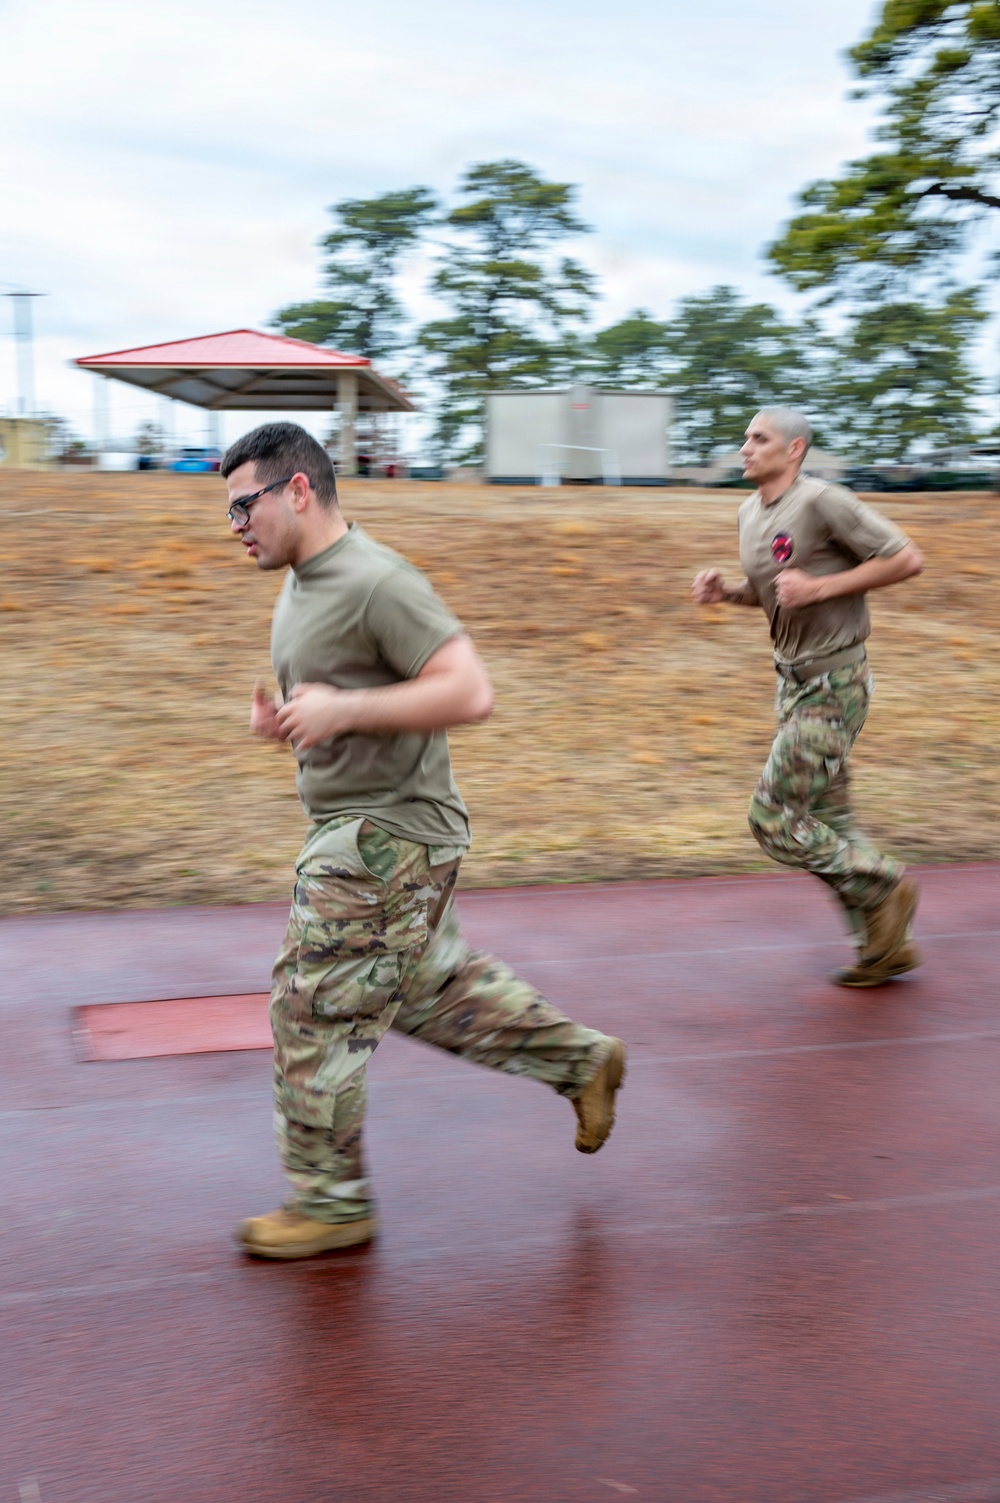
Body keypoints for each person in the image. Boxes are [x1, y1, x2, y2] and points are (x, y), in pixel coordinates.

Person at [221, 422, 626, 1259]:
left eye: (243, 505)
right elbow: (353, 700)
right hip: (378, 829)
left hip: (383, 837)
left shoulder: (377, 580)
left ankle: (331, 1203)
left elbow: (469, 691)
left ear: (297, 489)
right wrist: (297, 724)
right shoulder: (303, 582)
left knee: (313, 1006)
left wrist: (343, 710)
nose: (235, 526)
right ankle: (579, 1061)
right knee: (426, 986)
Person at [692, 408, 925, 988]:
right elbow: (779, 594)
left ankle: (884, 887)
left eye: (758, 438)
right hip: (792, 683)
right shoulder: (750, 511)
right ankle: (885, 945)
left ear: (794, 449)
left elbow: (905, 558)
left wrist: (823, 585)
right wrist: (731, 594)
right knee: (829, 819)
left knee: (773, 819)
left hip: (836, 684)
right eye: (745, 437)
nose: (745, 447)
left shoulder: (824, 501)